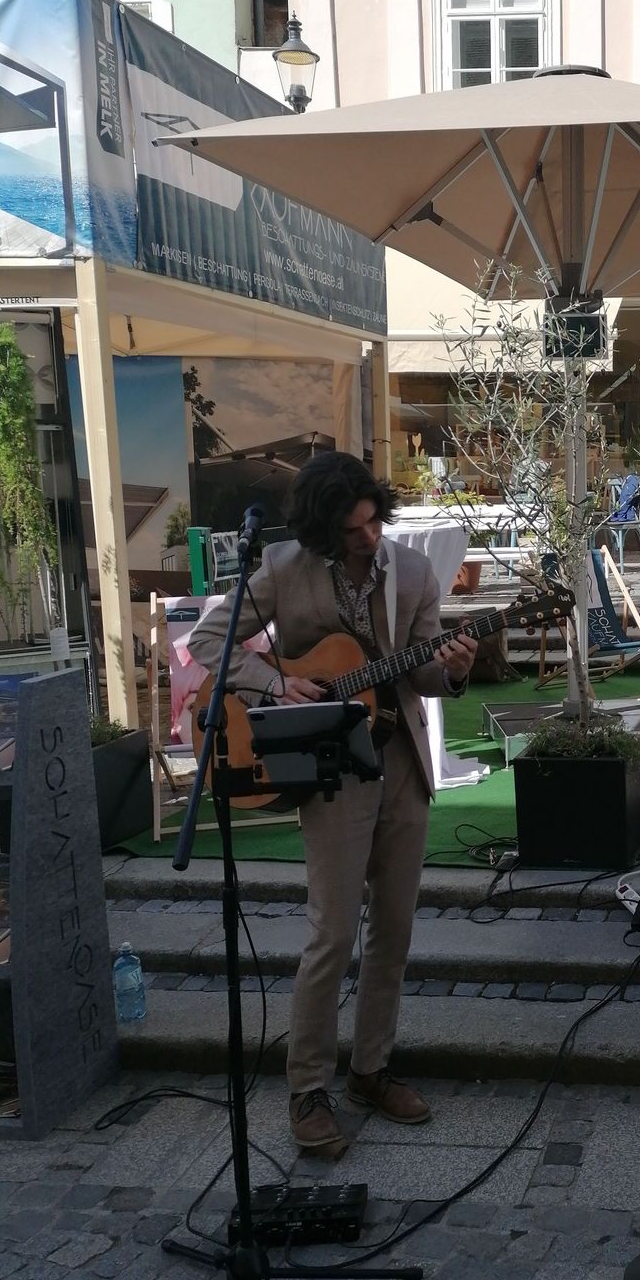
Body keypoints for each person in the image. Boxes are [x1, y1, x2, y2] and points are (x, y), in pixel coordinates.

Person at [189, 451, 478, 1156]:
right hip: (326, 768)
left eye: (374, 521)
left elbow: (426, 674)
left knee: (396, 930)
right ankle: (307, 1087)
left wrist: (455, 669)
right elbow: (208, 642)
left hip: (401, 765)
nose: (369, 537)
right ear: (323, 530)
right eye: (353, 530)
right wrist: (274, 685)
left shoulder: (411, 571)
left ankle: (369, 1070)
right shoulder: (286, 567)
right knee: (332, 933)